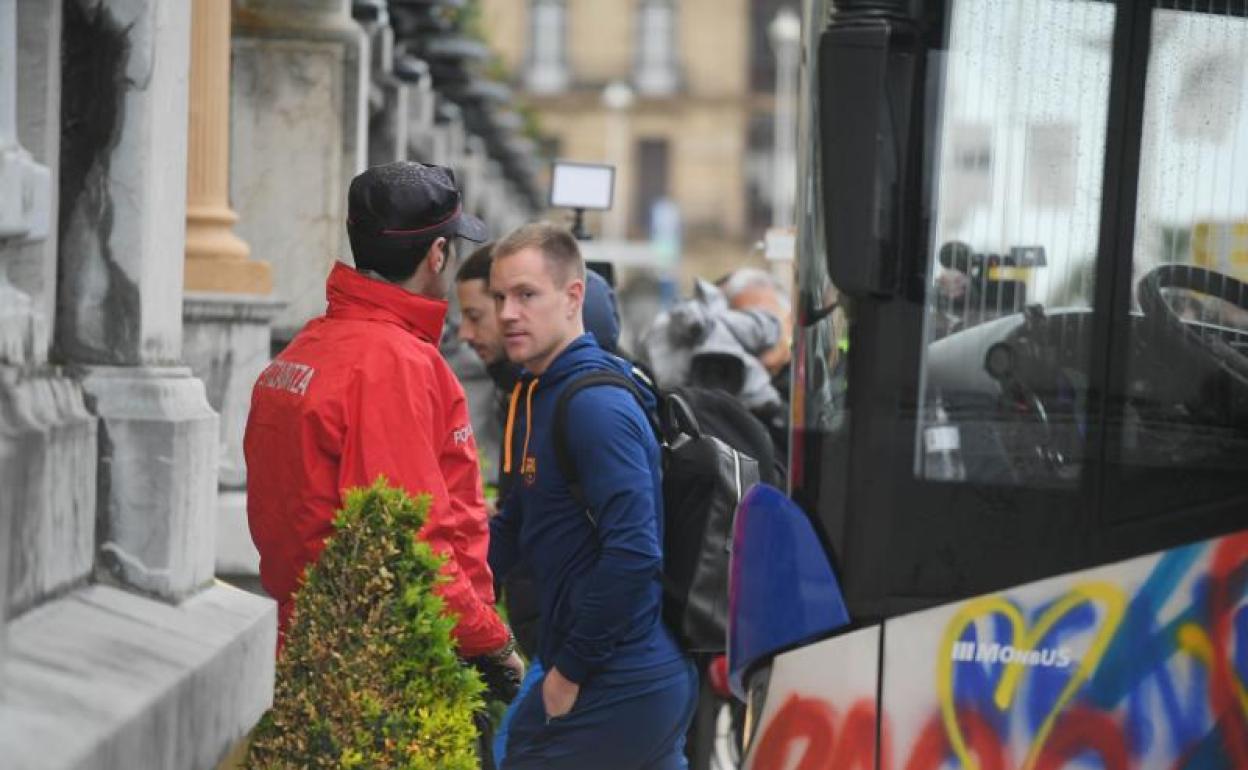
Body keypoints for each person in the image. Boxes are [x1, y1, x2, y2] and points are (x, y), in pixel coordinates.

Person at [243, 161, 523, 679]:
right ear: (438, 254)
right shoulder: (397, 365)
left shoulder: (309, 347)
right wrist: (491, 640)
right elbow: (414, 535)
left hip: (306, 639)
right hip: (378, 657)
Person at [487, 223, 697, 770]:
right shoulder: (541, 391)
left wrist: (569, 672)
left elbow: (634, 552)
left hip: (617, 678)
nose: (507, 312)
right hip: (612, 674)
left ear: (573, 296)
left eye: (527, 295)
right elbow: (517, 520)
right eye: (500, 296)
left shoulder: (593, 406)